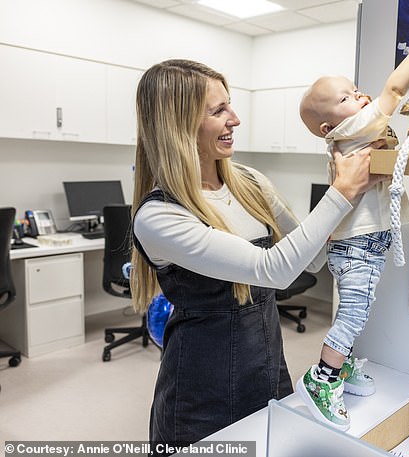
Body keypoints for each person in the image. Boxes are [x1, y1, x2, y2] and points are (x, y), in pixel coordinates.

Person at [129, 59, 385, 447]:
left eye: (230, 105)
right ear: (178, 125)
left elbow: (309, 260)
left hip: (267, 370)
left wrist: (359, 193)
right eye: (218, 110)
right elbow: (274, 270)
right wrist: (343, 191)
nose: (235, 119)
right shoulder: (159, 215)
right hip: (201, 394)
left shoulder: (250, 183)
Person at [296, 23, 409, 431]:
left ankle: (341, 369)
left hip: (362, 243)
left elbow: (381, 172)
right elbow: (396, 91)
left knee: (358, 310)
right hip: (360, 245)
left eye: (356, 89)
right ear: (330, 127)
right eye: (347, 98)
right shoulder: (352, 129)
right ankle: (322, 378)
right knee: (352, 315)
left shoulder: (354, 132)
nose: (362, 97)